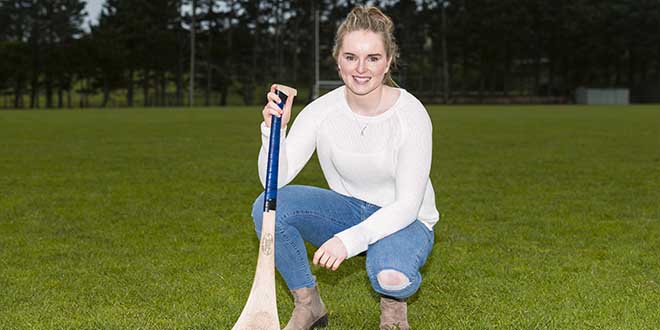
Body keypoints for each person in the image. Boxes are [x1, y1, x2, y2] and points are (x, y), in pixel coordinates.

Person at [252, 6, 439, 330]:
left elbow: (408, 204)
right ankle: (308, 305)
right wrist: (274, 131)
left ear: (388, 61)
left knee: (391, 276)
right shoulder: (321, 111)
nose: (361, 68)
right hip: (349, 210)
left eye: (373, 58)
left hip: (407, 220)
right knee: (268, 208)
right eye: (351, 57)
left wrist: (349, 242)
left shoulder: (410, 113)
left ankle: (393, 315)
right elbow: (276, 181)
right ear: (337, 59)